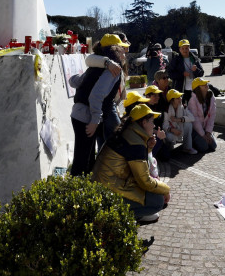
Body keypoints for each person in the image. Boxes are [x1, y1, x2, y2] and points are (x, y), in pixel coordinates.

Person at [92, 103, 171, 223]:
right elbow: (144, 181)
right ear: (144, 122)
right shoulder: (135, 142)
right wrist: (166, 189)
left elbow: (136, 165)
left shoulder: (128, 132)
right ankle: (117, 218)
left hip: (105, 186)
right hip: (107, 193)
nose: (154, 125)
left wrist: (148, 148)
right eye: (151, 121)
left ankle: (132, 214)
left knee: (152, 191)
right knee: (157, 201)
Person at [70, 34, 128, 176]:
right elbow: (96, 96)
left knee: (86, 159)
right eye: (122, 48)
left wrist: (84, 79)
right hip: (87, 117)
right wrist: (95, 120)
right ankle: (78, 193)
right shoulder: (113, 70)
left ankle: (84, 189)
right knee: (81, 162)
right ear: (115, 50)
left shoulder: (97, 65)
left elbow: (74, 82)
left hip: (78, 114)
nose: (124, 52)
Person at [187, 77, 217, 153]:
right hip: (195, 129)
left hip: (205, 129)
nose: (206, 85)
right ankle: (191, 140)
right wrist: (203, 135)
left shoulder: (211, 97)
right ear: (197, 88)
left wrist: (208, 133)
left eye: (206, 83)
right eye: (203, 84)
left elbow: (212, 116)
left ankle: (205, 137)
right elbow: (195, 119)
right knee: (204, 147)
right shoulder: (192, 100)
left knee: (213, 146)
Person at [163, 89, 196, 154]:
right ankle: (169, 146)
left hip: (180, 130)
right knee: (169, 136)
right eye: (177, 98)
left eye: (180, 97)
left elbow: (192, 118)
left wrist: (179, 119)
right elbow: (165, 125)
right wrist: (172, 130)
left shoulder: (183, 106)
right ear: (172, 100)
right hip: (172, 131)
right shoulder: (166, 109)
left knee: (189, 124)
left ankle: (187, 147)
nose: (180, 99)